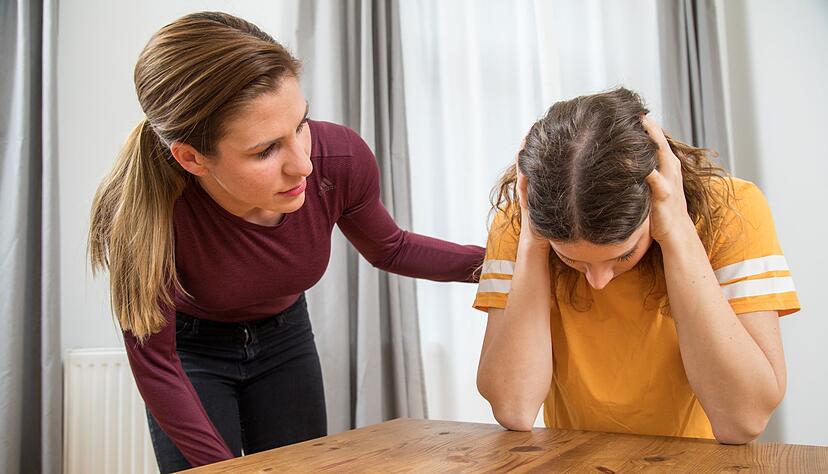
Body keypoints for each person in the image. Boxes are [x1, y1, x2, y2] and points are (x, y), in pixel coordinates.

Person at [88, 11, 484, 472]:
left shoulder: (339, 159)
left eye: (301, 124)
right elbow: (157, 363)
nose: (304, 165)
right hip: (190, 354)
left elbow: (390, 247)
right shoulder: (140, 212)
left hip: (285, 338)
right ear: (193, 158)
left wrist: (508, 264)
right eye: (265, 150)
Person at [474, 88, 799, 444]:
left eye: (622, 256)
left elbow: (744, 420)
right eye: (571, 258)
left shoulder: (733, 211)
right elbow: (514, 407)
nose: (598, 281)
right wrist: (532, 243)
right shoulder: (522, 223)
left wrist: (676, 230)